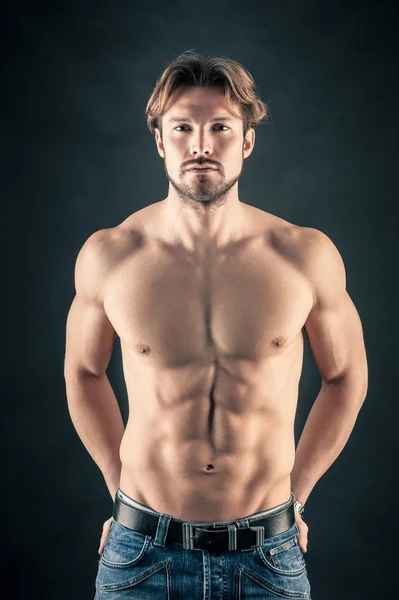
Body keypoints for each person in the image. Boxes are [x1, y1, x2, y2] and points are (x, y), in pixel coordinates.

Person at [64, 50, 368, 599]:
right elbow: (84, 373)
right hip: (139, 555)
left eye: (220, 128)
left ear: (246, 141)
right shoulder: (110, 256)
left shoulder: (304, 255)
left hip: (267, 558)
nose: (200, 145)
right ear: (160, 140)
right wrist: (119, 490)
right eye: (182, 127)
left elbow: (346, 377)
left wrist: (295, 496)